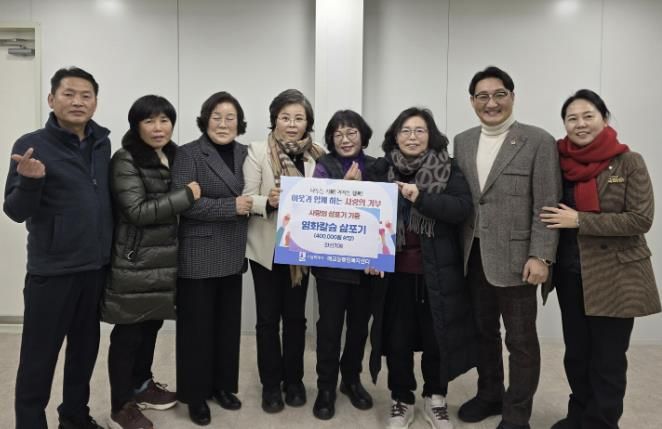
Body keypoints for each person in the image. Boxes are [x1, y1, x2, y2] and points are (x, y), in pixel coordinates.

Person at [540, 89, 660, 429]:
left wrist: (580, 220)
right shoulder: (558, 162)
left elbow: (640, 219)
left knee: (607, 358)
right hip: (570, 273)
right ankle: (578, 415)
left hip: (615, 276)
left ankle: (602, 422)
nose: (580, 124)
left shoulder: (629, 162)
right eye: (572, 118)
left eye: (588, 116)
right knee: (577, 354)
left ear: (604, 118)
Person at [453, 66, 561, 429]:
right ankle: (489, 394)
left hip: (518, 260)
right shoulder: (463, 141)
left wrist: (541, 255)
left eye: (499, 94)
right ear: (472, 101)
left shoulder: (538, 141)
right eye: (482, 96)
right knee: (483, 333)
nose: (491, 103)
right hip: (473, 256)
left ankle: (517, 414)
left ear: (512, 96)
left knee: (521, 341)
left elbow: (547, 204)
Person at [4, 67, 111, 429]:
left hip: (94, 268)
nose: (78, 101)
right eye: (69, 94)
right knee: (38, 359)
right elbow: (15, 211)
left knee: (84, 352)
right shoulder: (31, 145)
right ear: (52, 99)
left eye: (86, 95)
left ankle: (74, 417)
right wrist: (30, 182)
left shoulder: (102, 143)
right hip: (51, 272)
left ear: (95, 102)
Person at [367, 107, 477, 429]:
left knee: (436, 338)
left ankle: (435, 397)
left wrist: (422, 198)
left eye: (419, 130)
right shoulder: (381, 168)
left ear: (431, 136)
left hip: (438, 271)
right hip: (395, 272)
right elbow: (360, 213)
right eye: (405, 131)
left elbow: (461, 208)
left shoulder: (448, 168)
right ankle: (401, 398)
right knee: (397, 339)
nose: (412, 137)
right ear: (395, 136)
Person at [102, 95, 200, 429]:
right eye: (149, 121)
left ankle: (142, 386)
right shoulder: (125, 159)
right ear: (136, 125)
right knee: (128, 334)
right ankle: (120, 407)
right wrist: (186, 196)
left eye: (164, 120)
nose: (158, 128)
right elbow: (137, 211)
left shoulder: (175, 155)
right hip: (136, 260)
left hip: (165, 260)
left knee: (150, 326)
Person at [242, 89, 325, 414]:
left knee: (295, 319)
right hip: (267, 248)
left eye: (298, 118)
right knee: (267, 320)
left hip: (300, 251)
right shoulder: (257, 151)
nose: (291, 124)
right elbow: (247, 197)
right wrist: (269, 200)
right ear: (274, 119)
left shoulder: (318, 155)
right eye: (285, 117)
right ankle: (270, 385)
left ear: (308, 123)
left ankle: (294, 381)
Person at [171, 91, 251, 426]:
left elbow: (256, 193)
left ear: (239, 123)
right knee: (196, 330)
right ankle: (194, 395)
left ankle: (222, 387)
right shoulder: (188, 153)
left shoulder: (247, 153)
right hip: (198, 253)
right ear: (205, 120)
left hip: (233, 252)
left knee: (227, 327)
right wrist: (231, 207)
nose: (223, 123)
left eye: (230, 118)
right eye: (216, 117)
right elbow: (183, 202)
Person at [310, 110, 377, 420]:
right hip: (331, 265)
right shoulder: (324, 166)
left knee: (359, 327)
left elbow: (386, 214)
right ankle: (325, 387)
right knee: (329, 327)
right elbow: (316, 209)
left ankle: (351, 379)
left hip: (367, 266)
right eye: (338, 134)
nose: (345, 139)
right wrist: (344, 188)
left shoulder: (377, 166)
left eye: (351, 133)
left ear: (362, 136)